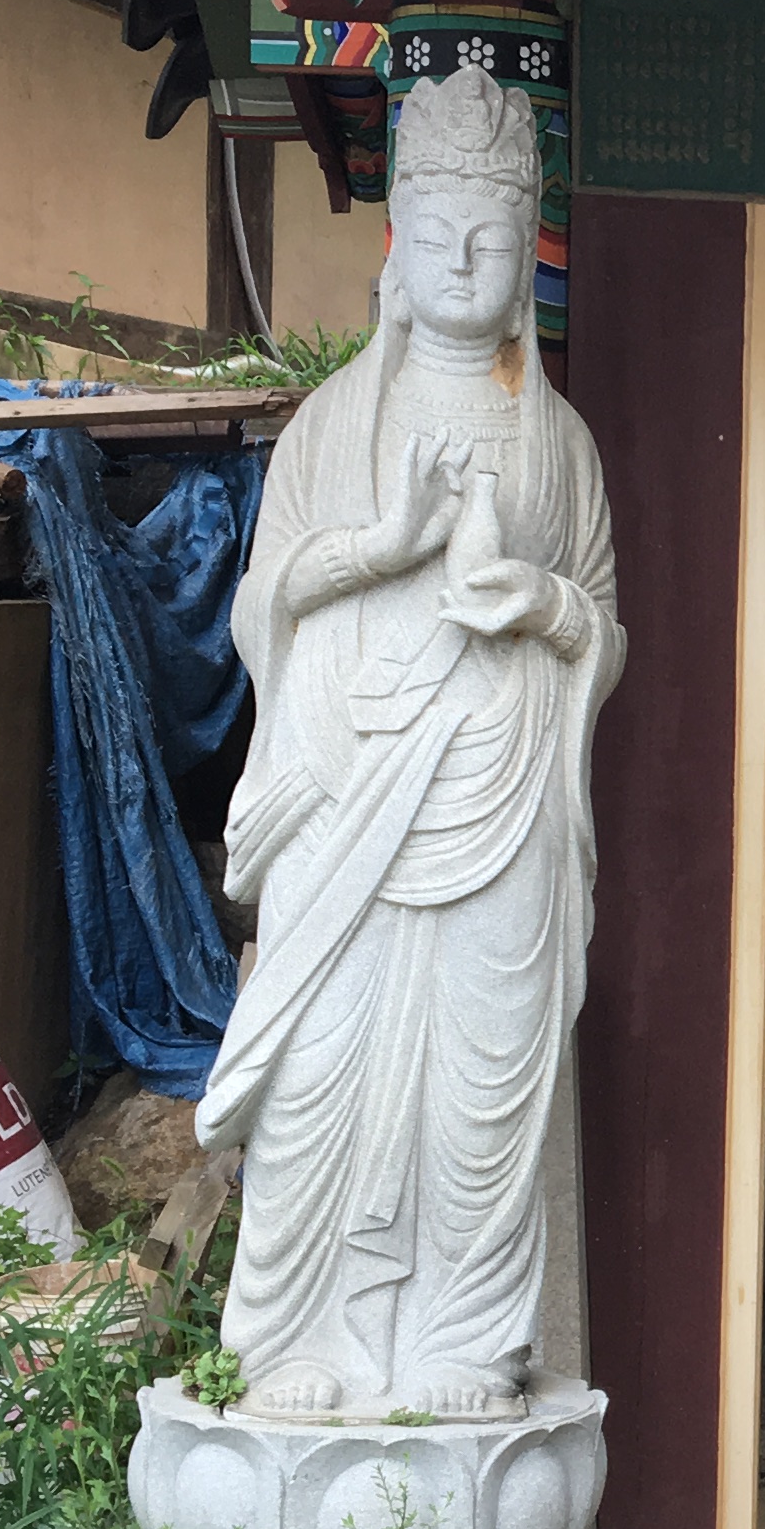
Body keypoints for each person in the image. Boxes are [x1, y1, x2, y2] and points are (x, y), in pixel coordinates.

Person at [194, 68, 623, 1420]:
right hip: (348, 790)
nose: (464, 259)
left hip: (503, 800)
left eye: (493, 235)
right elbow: (261, 606)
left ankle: (462, 1341)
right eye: (437, 230)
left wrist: (533, 599)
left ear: (526, 250)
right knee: (322, 1074)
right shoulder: (332, 425)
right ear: (398, 244)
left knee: (481, 1095)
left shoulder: (561, 445)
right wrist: (379, 548)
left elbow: (604, 628)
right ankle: (298, 1336)